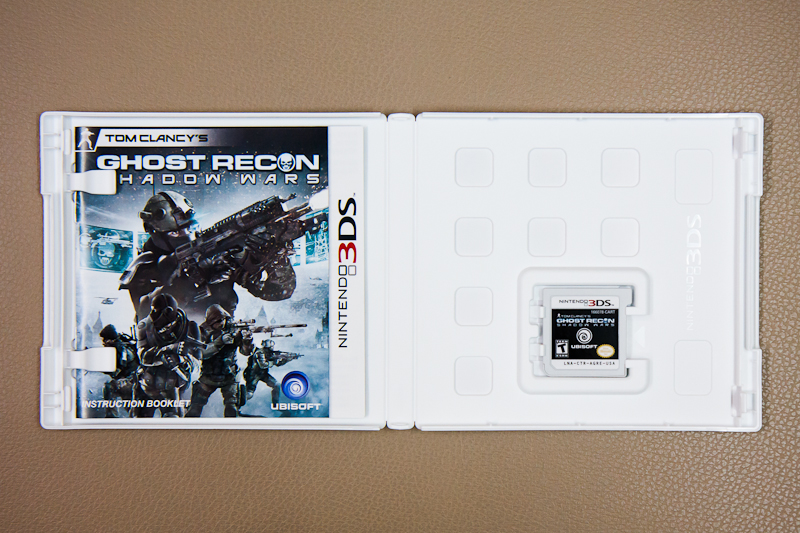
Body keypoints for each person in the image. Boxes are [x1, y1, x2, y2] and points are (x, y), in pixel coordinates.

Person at [132, 292, 201, 418]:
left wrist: (182, 360)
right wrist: (165, 351)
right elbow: (143, 356)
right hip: (147, 382)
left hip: (173, 384)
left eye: (168, 327)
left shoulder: (190, 327)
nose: (163, 331)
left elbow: (198, 366)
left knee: (173, 419)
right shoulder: (144, 326)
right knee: (138, 421)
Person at [185, 305, 252, 418]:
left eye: (223, 320)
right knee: (195, 408)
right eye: (218, 321)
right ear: (211, 322)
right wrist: (219, 342)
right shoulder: (202, 332)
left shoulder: (234, 330)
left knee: (231, 409)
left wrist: (247, 341)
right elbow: (201, 354)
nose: (222, 323)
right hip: (208, 377)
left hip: (229, 376)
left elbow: (246, 352)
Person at [99, 324, 138, 417]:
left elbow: (116, 370)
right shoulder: (122, 346)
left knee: (109, 388)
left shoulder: (118, 349)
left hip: (128, 381)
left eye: (105, 339)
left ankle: (111, 416)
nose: (103, 342)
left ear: (110, 339)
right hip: (131, 380)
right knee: (130, 409)